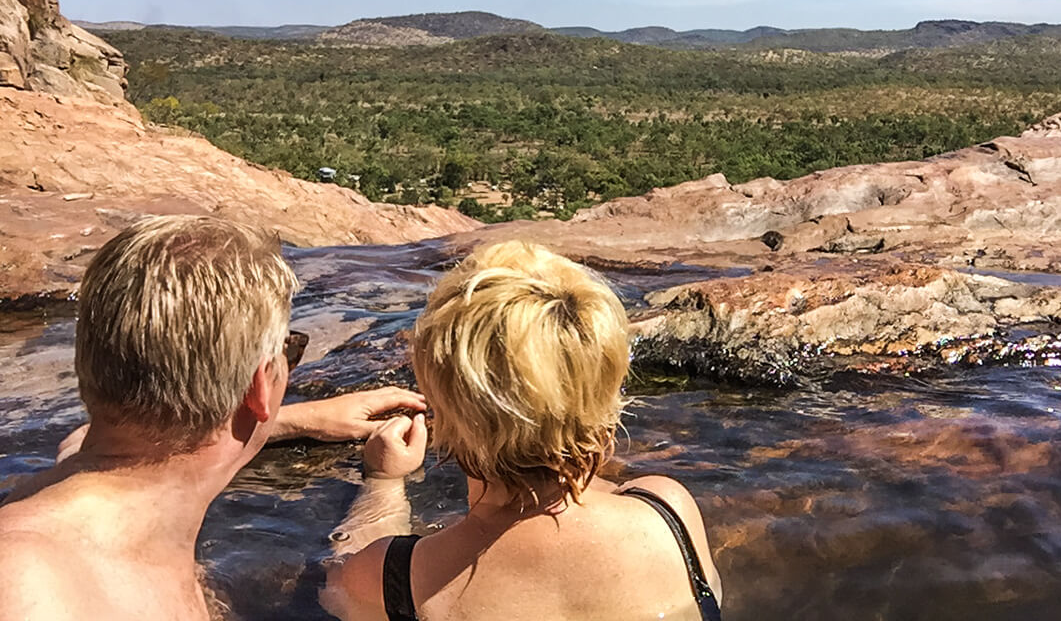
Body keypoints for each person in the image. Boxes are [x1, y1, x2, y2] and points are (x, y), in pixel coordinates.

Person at [0, 215, 426, 620]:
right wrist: (384, 484)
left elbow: (83, 442)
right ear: (260, 388)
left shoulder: (75, 490)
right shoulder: (25, 585)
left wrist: (299, 418)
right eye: (290, 351)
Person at [323, 241, 723, 621]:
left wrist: (383, 482)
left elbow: (337, 590)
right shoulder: (669, 512)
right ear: (609, 394)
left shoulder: (394, 579)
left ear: (442, 417)